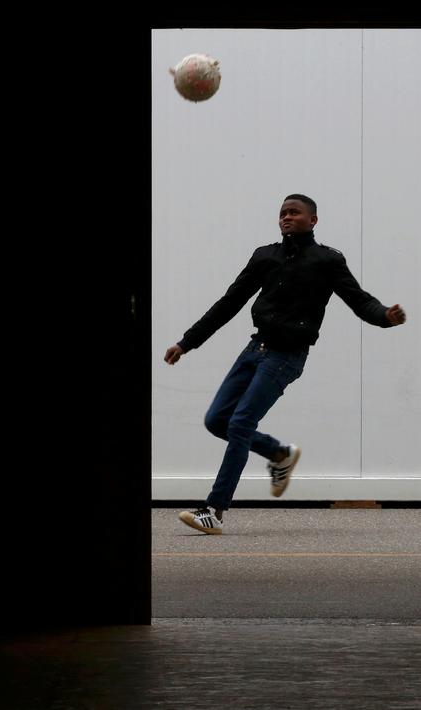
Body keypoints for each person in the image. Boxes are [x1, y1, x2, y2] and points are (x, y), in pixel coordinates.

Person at [164, 194, 407, 534]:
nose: (286, 218)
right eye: (282, 213)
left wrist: (385, 316)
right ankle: (279, 454)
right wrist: (187, 342)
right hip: (255, 348)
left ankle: (214, 511)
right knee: (217, 420)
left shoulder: (327, 260)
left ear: (313, 220)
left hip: (286, 356)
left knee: (240, 422)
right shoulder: (265, 256)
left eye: (294, 212)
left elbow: (359, 300)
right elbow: (229, 302)